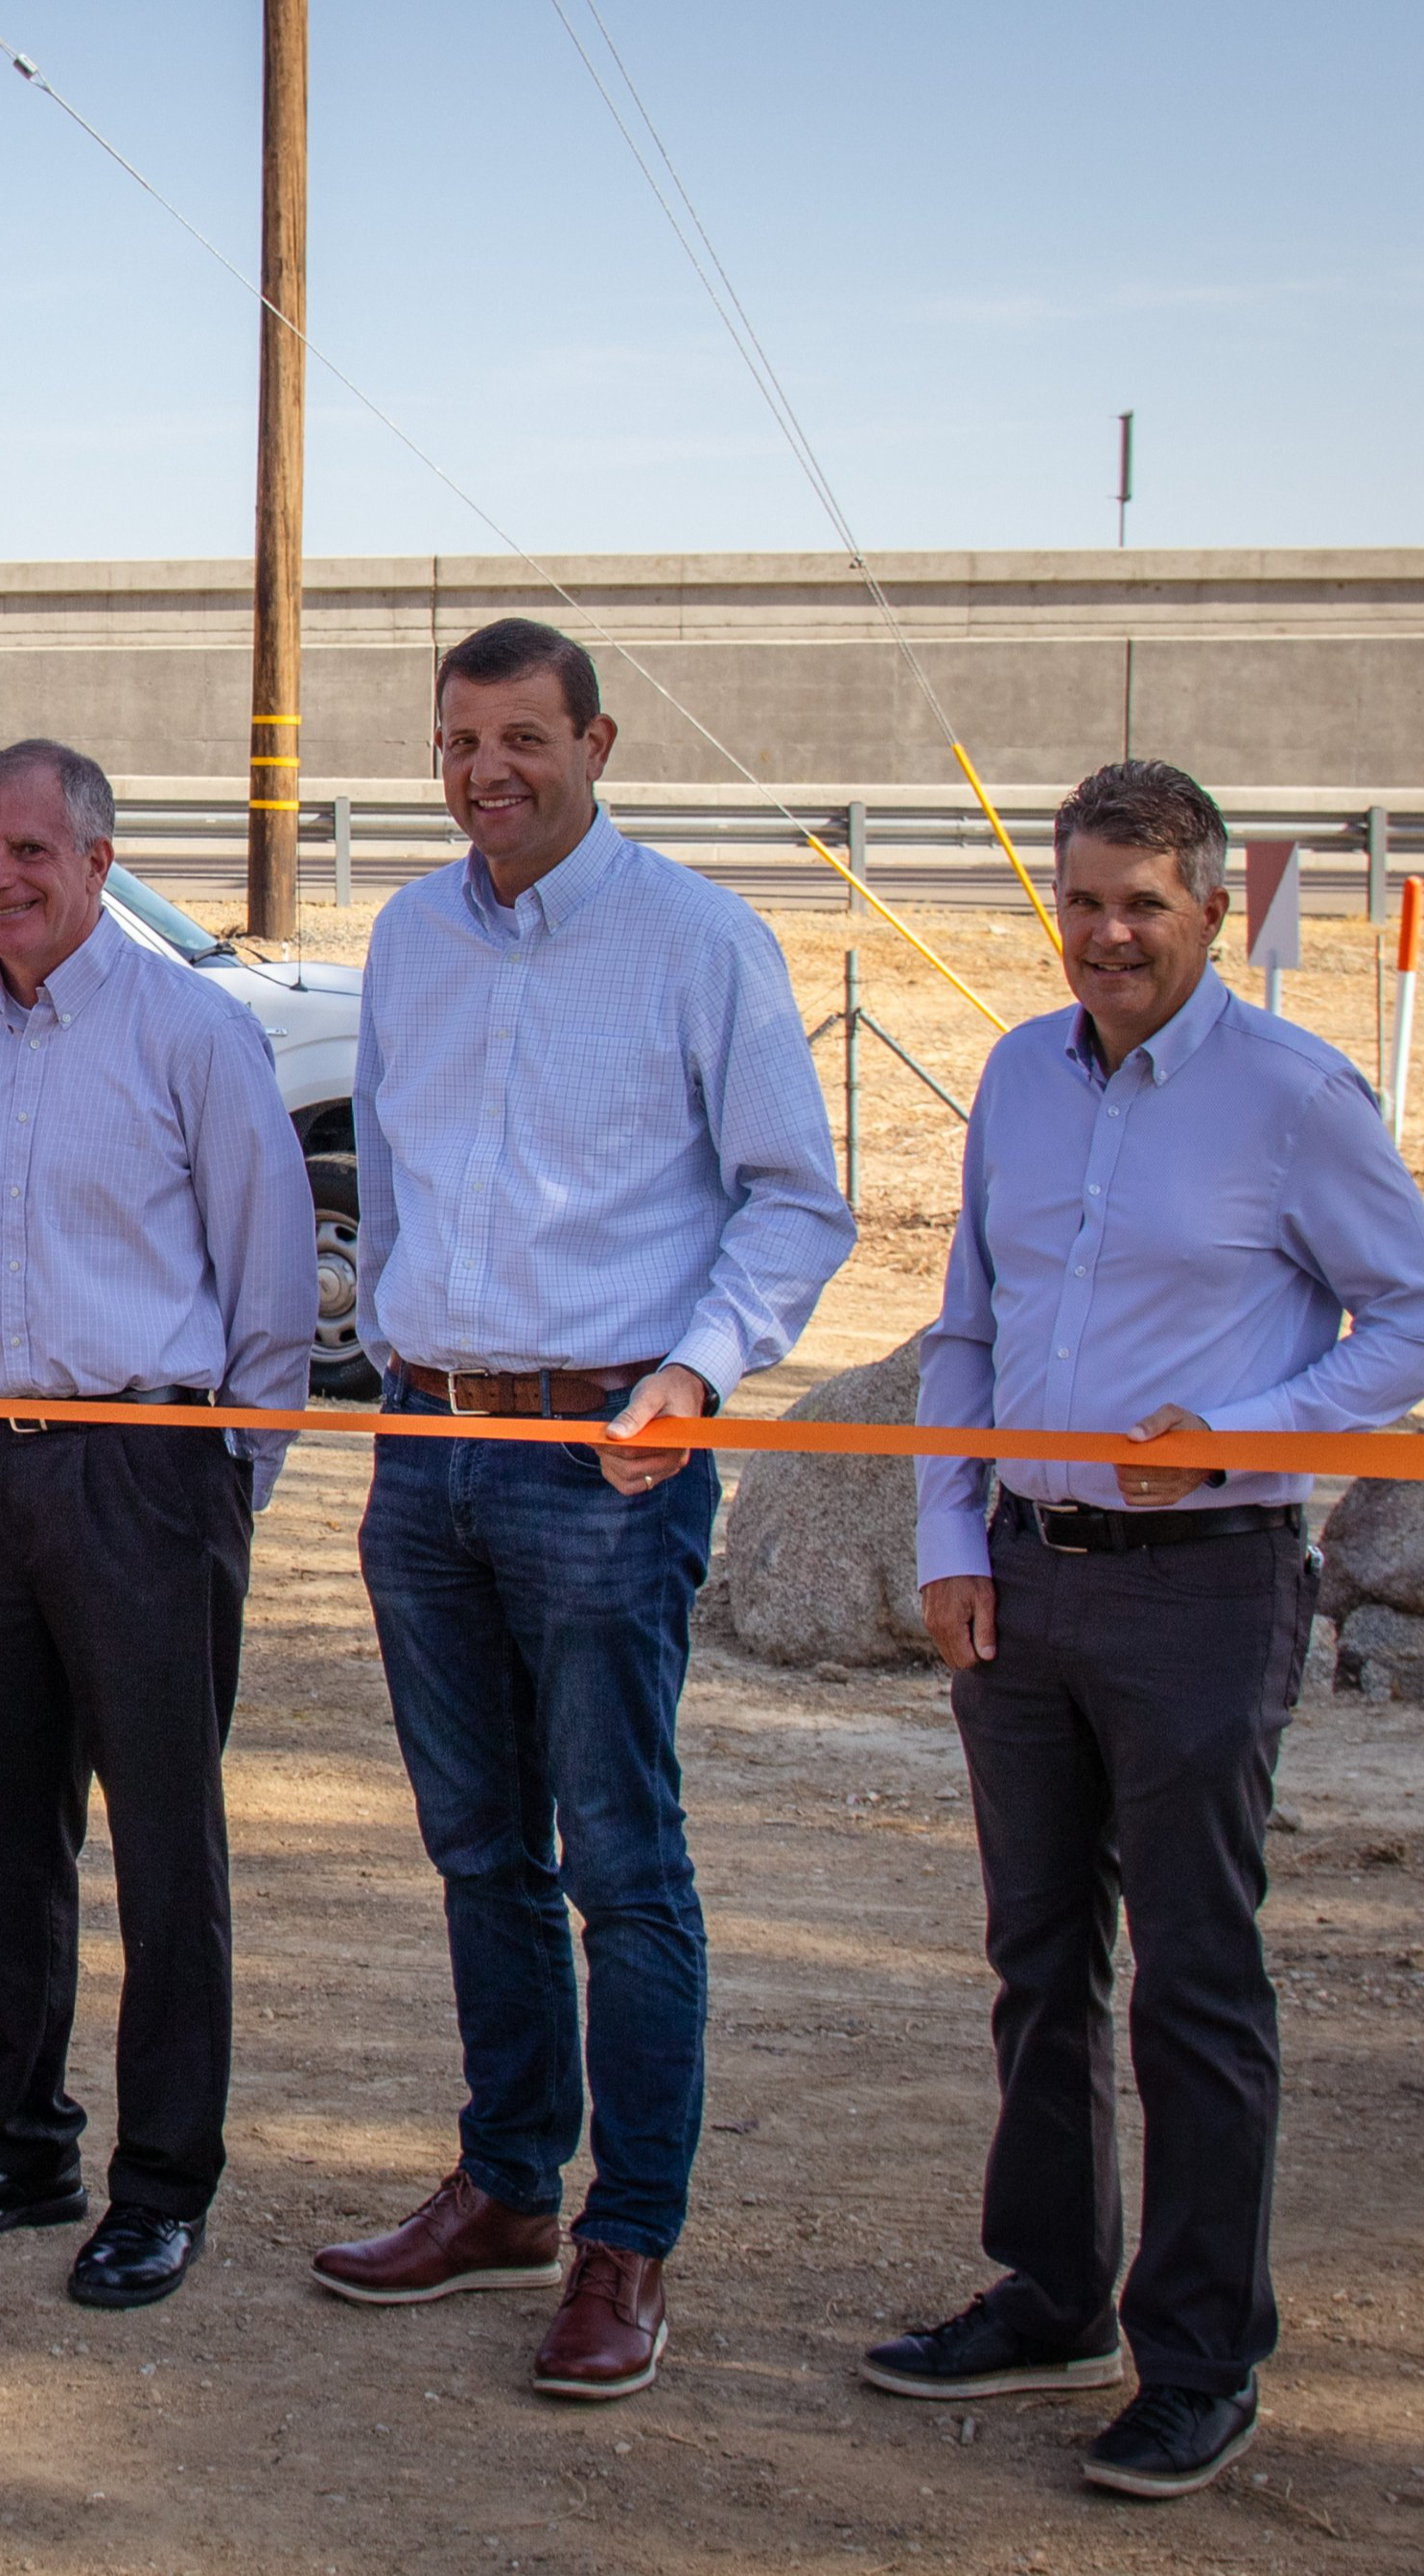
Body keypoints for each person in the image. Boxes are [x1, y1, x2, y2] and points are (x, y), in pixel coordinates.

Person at [864, 760, 1424, 2497]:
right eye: (1082, 901)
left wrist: (1242, 1430)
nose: (1107, 933)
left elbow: (1413, 1322)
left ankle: (1200, 2359)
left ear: (1210, 907)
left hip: (1205, 1586)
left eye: (1142, 902)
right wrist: (947, 1535)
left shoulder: (1292, 1093)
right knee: (1038, 1965)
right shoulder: (1013, 1077)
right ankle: (1051, 2298)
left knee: (1196, 1985)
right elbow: (963, 1326)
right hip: (1022, 1582)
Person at [316, 618, 850, 2401]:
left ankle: (629, 2243)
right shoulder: (405, 937)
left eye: (523, 738)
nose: (489, 771)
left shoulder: (699, 942)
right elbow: (386, 1177)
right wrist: (399, 1370)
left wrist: (695, 1371)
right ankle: (507, 2182)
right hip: (428, 1449)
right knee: (480, 1851)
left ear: (596, 742)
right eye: (460, 740)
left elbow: (792, 1201)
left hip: (608, 1459)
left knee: (623, 1864)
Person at [0, 738, 314, 2311]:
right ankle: (14, 2142)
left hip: (149, 1469)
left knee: (168, 1851)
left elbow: (270, 1284)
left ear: (99, 862)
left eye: (29, 853)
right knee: (2, 1826)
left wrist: (213, 1488)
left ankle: (162, 2182)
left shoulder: (192, 1034)